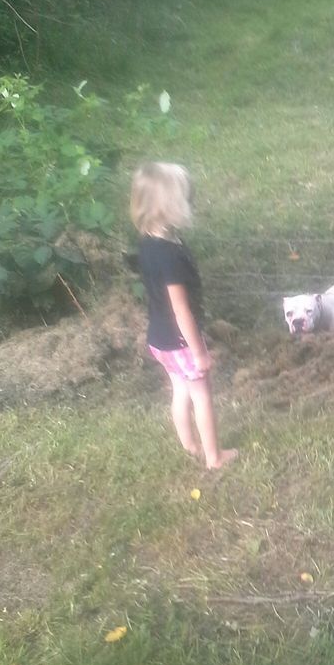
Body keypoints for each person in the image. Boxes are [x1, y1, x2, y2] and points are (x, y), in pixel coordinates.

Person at [130, 161, 237, 470]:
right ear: (171, 206)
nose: (191, 202)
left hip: (159, 339)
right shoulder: (171, 255)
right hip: (180, 341)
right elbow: (181, 309)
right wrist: (199, 351)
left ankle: (190, 445)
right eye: (187, 198)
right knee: (201, 394)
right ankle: (214, 457)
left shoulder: (148, 243)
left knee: (180, 389)